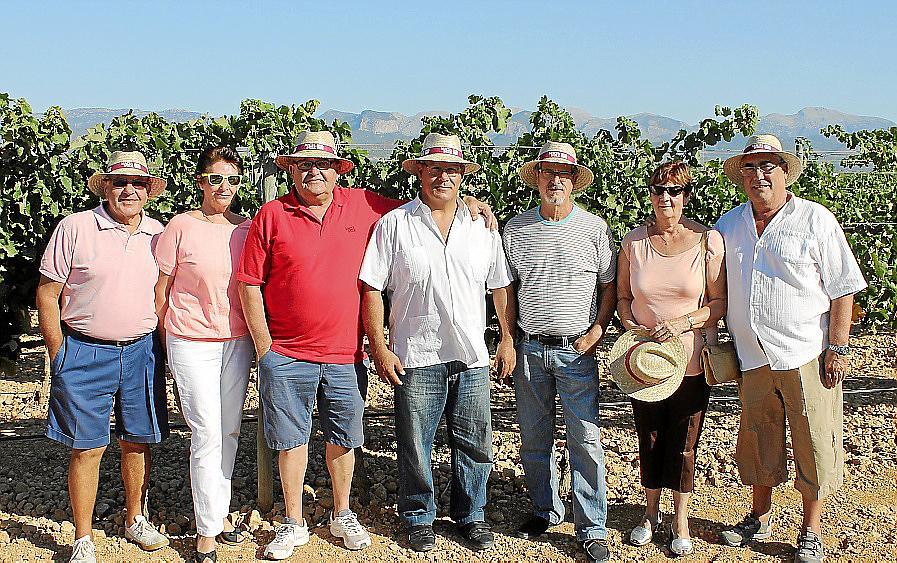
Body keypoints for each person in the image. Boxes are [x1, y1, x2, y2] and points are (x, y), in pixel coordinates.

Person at [236, 130, 494, 560]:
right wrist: (265, 349)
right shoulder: (272, 214)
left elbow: (429, 208)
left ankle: (342, 514)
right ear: (291, 170)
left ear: (339, 170)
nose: (313, 171)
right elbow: (248, 284)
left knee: (343, 438)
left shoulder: (366, 206)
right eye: (303, 164)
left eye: (322, 164)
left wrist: (465, 202)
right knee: (290, 439)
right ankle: (293, 522)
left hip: (344, 354)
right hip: (286, 352)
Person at [359, 133, 516, 553]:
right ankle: (417, 516)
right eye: (434, 168)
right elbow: (371, 287)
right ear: (420, 174)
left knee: (475, 442)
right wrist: (379, 344)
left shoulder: (481, 226)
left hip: (471, 355)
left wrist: (506, 337)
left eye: (451, 169)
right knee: (414, 443)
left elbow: (499, 285)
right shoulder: (394, 224)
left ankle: (471, 515)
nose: (442, 176)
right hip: (417, 352)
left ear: (463, 176)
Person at [715, 135, 866, 563]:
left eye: (768, 166)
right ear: (741, 176)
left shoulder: (815, 220)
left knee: (812, 442)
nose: (758, 175)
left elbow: (844, 289)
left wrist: (837, 347)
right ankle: (757, 516)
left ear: (785, 173)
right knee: (759, 438)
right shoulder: (729, 225)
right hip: (753, 355)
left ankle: (810, 531)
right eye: (751, 167)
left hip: (805, 354)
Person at [36, 151, 170, 563]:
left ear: (148, 191)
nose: (128, 190)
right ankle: (82, 537)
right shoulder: (75, 227)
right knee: (86, 447)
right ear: (106, 187)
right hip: (83, 351)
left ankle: (134, 519)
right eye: (119, 182)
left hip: (141, 352)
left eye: (138, 183)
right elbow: (46, 292)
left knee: (137, 441)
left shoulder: (158, 233)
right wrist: (59, 353)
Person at [502, 141, 616, 563]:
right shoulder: (515, 229)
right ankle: (545, 510)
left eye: (563, 174)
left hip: (576, 351)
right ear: (537, 179)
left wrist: (598, 330)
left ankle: (592, 527)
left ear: (573, 183)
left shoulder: (595, 229)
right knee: (534, 437)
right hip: (530, 350)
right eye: (548, 172)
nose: (555, 180)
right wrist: (509, 338)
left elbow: (609, 284)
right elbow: (506, 289)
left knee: (584, 439)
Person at [616, 161, 727, 556]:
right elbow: (624, 300)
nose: (666, 197)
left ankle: (680, 519)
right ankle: (650, 514)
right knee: (648, 436)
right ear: (649, 194)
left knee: (685, 440)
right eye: (659, 189)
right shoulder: (632, 244)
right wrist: (632, 327)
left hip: (691, 361)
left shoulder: (707, 242)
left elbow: (718, 304)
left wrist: (682, 323)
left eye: (675, 191)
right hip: (645, 363)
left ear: (686, 196)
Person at [154, 147, 252, 563]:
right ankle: (207, 533)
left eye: (232, 179)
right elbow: (161, 289)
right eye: (215, 179)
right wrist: (162, 341)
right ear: (201, 182)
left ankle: (218, 513)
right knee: (207, 430)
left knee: (229, 429)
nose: (224, 187)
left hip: (237, 340)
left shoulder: (245, 228)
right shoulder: (180, 226)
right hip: (190, 340)